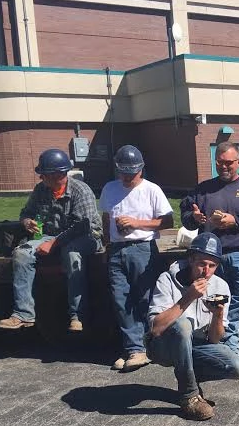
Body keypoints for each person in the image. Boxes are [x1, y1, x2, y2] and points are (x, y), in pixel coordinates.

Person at [180, 141, 239, 355]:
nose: (224, 167)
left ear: (238, 162)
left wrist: (235, 220)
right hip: (212, 257)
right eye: (219, 163)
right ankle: (222, 344)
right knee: (208, 297)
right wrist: (193, 218)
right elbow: (186, 216)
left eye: (229, 163)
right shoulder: (203, 189)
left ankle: (226, 336)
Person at [0, 148, 102, 332]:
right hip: (51, 235)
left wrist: (53, 244)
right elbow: (26, 212)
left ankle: (78, 315)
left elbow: (81, 227)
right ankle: (23, 314)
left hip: (85, 235)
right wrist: (27, 222)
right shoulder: (41, 190)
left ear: (57, 175)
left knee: (71, 254)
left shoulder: (81, 191)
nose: (41, 178)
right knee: (21, 254)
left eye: (43, 175)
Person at [147, 233, 239, 421]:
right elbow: (156, 328)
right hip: (163, 346)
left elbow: (215, 340)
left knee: (237, 367)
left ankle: (189, 376)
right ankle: (189, 395)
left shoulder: (220, 286)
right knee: (182, 324)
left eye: (212, 266)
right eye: (202, 263)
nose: (206, 271)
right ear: (191, 259)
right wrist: (188, 297)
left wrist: (217, 315)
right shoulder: (167, 279)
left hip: (196, 345)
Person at [99, 145, 174, 372]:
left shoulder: (151, 190)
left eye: (132, 172)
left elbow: (168, 221)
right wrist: (107, 242)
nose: (128, 176)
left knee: (145, 298)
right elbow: (105, 218)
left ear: (141, 169)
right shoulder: (110, 189)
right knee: (121, 300)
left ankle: (148, 346)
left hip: (142, 247)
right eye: (124, 172)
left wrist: (136, 223)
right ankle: (134, 349)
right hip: (116, 249)